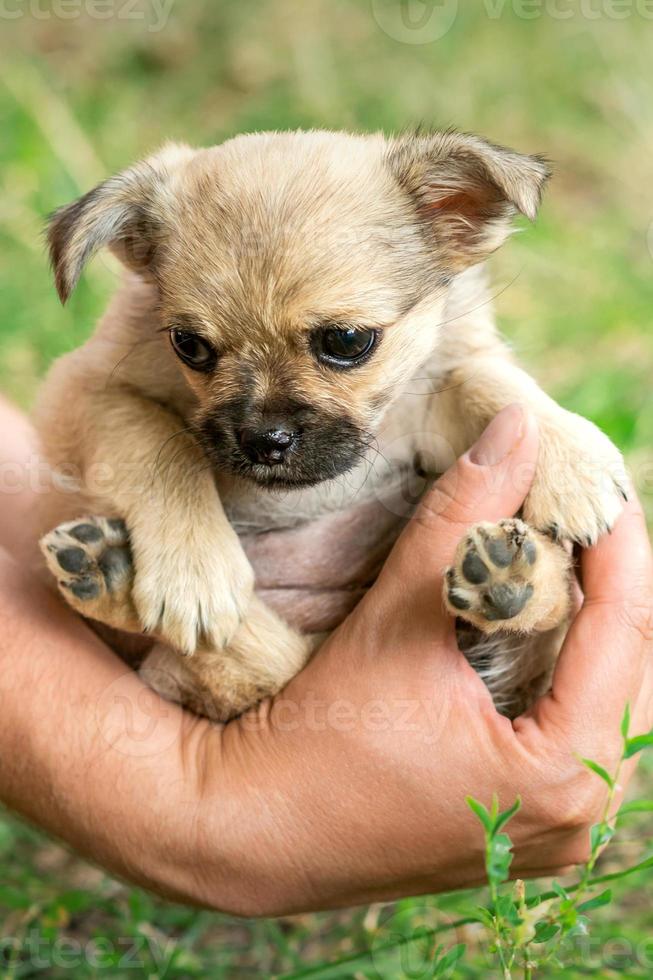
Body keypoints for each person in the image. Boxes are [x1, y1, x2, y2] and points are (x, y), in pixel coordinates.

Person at [0, 396, 651, 916]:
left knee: (538, 609)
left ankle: (515, 589)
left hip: (420, 633)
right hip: (300, 639)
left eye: (343, 341)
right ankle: (200, 637)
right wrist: (185, 804)